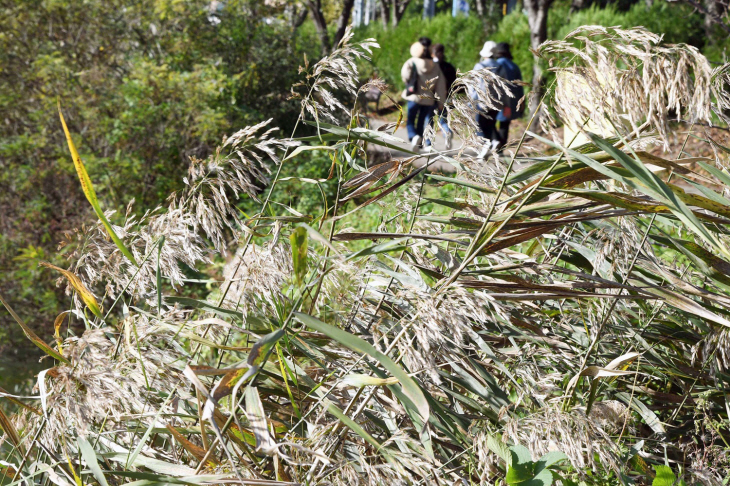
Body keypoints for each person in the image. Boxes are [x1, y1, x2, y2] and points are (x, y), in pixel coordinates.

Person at [401, 41, 447, 149]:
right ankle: (419, 143)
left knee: (411, 119)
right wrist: (441, 102)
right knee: (422, 121)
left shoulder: (412, 62)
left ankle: (414, 136)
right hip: (428, 99)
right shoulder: (435, 66)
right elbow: (440, 85)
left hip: (414, 96)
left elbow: (405, 76)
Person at [471, 40, 503, 153]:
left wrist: (471, 99)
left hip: (482, 101)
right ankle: (492, 142)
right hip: (496, 102)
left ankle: (486, 145)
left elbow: (473, 85)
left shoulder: (480, 65)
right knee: (490, 124)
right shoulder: (500, 67)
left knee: (478, 125)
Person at [492, 42, 523, 150]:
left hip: (497, 99)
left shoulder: (496, 64)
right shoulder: (514, 66)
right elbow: (520, 86)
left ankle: (496, 143)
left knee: (489, 121)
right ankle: (501, 147)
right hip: (512, 100)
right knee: (504, 124)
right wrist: (522, 102)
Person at [431, 43, 456, 150]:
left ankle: (428, 142)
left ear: (433, 53)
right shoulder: (449, 66)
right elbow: (455, 83)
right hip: (447, 97)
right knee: (443, 119)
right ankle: (447, 133)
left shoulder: (431, 66)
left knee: (430, 120)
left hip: (432, 97)